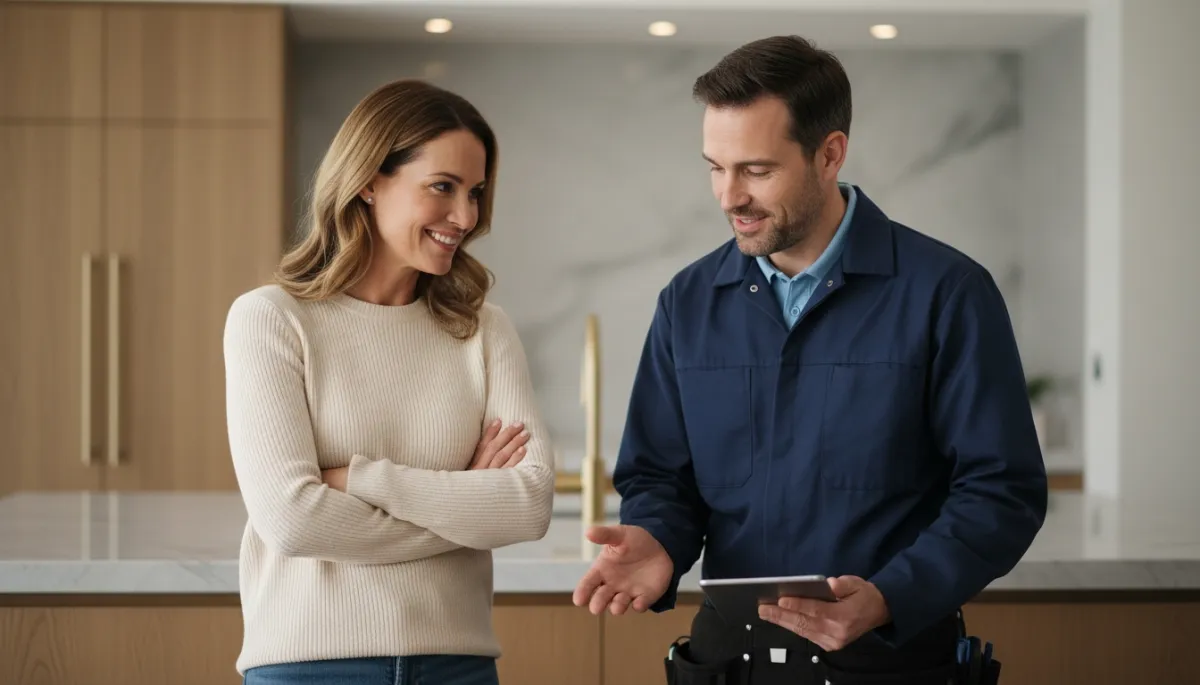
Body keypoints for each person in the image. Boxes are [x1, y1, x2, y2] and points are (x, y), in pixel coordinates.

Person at [573, 35, 1047, 684]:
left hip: (889, 663)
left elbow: (1002, 491)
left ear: (829, 155)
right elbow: (660, 478)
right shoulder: (687, 303)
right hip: (726, 664)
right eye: (715, 166)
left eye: (756, 170)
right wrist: (658, 538)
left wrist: (889, 594)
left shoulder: (947, 293)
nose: (727, 196)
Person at [223, 79, 555, 685]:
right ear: (369, 181)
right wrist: (461, 500)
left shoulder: (484, 329)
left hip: (459, 664)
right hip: (308, 666)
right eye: (442, 187)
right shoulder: (272, 319)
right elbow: (293, 521)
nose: (465, 216)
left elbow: (527, 505)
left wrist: (360, 481)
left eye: (475, 192)